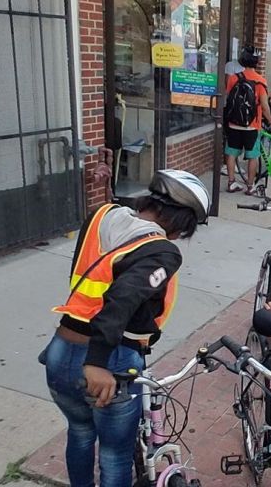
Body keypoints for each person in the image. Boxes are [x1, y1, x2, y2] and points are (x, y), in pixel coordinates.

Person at [43, 170, 210, 486]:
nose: (178, 239)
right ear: (180, 220)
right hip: (109, 361)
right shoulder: (162, 250)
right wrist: (95, 362)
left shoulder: (102, 215)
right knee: (115, 454)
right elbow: (123, 297)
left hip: (60, 349)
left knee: (79, 432)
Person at [224, 46, 271, 194]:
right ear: (256, 62)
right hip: (252, 125)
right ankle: (250, 186)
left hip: (234, 123)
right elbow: (264, 106)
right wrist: (270, 120)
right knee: (253, 156)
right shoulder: (260, 81)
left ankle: (231, 182)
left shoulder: (234, 78)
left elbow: (229, 98)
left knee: (232, 153)